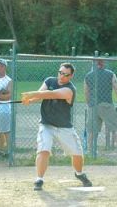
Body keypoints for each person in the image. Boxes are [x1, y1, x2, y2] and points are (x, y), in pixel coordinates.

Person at [21, 63, 92, 191]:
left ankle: (79, 173)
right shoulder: (49, 80)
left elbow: (51, 94)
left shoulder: (70, 90)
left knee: (77, 154)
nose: (62, 76)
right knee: (44, 149)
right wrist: (30, 100)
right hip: (46, 124)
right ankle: (39, 179)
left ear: (71, 76)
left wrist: (31, 94)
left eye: (66, 74)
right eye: (60, 72)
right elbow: (41, 93)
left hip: (64, 127)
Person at [84, 60, 117, 154]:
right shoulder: (110, 74)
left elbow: (86, 92)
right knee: (114, 127)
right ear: (102, 64)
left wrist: (89, 103)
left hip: (93, 105)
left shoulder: (88, 76)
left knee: (92, 129)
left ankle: (90, 150)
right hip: (106, 104)